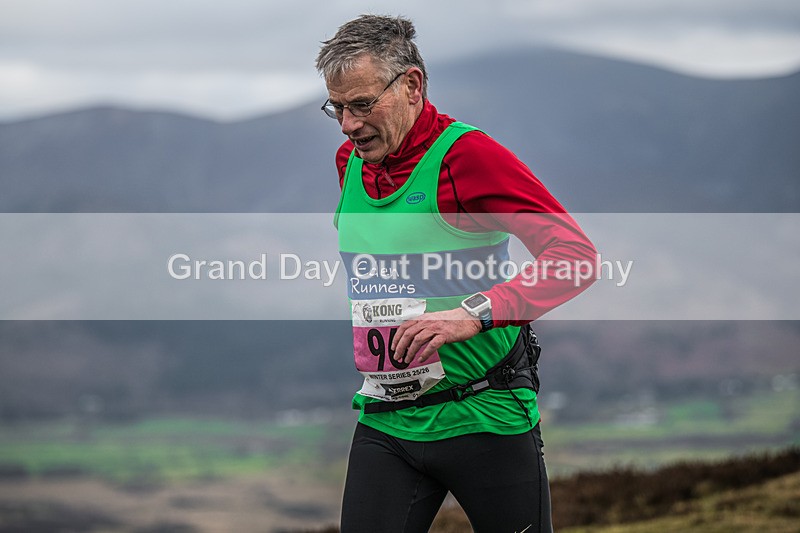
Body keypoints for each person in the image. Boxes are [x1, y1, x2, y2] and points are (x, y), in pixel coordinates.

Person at [316, 15, 597, 532]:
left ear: (412, 85)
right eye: (337, 108)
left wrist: (473, 314)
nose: (348, 125)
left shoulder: (466, 158)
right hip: (389, 418)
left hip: (483, 415)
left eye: (361, 105)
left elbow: (574, 257)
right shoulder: (350, 162)